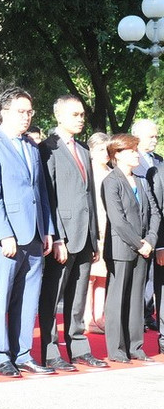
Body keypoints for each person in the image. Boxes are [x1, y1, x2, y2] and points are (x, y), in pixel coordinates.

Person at [0, 87, 55, 377]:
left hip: (34, 233)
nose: (27, 117)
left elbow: (41, 192)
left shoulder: (32, 146)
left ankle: (23, 353)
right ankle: (0, 354)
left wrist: (47, 229)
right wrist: (2, 233)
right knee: (1, 298)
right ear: (4, 112)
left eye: (29, 111)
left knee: (28, 297)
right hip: (8, 237)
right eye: (21, 111)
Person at [37, 96, 108, 369]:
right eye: (75, 114)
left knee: (78, 298)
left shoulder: (82, 150)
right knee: (53, 297)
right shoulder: (48, 149)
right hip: (63, 236)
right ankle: (50, 351)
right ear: (59, 116)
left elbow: (89, 196)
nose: (81, 118)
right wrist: (56, 237)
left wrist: (95, 237)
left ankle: (78, 348)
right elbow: (49, 196)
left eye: (82, 114)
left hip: (85, 235)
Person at [101, 133, 159, 362]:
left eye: (136, 149)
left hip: (144, 247)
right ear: (118, 154)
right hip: (122, 249)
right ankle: (116, 349)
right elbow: (117, 220)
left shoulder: (141, 180)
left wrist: (151, 240)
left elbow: (155, 211)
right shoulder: (111, 181)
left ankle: (136, 346)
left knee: (137, 298)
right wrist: (139, 244)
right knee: (117, 299)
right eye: (132, 150)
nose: (137, 154)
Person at [131, 118, 163, 346]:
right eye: (151, 136)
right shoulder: (128, 160)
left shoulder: (159, 161)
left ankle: (152, 318)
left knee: (156, 281)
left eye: (157, 136)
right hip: (136, 233)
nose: (155, 140)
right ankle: (136, 322)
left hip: (158, 230)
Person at [85, 132, 111, 334]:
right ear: (91, 151)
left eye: (108, 149)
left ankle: (99, 316)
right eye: (101, 149)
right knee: (89, 276)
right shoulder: (87, 172)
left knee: (103, 275)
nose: (106, 153)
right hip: (93, 228)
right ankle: (86, 318)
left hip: (110, 229)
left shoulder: (111, 172)